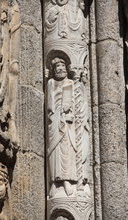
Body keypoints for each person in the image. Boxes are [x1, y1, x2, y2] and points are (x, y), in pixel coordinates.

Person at [47, 57, 77, 197]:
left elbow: (75, 102)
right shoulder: (51, 83)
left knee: (67, 149)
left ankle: (66, 181)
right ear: (53, 70)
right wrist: (56, 115)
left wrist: (69, 111)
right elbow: (49, 105)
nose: (59, 68)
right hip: (55, 121)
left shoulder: (70, 82)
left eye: (62, 65)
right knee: (54, 151)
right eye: (56, 66)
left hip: (67, 122)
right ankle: (54, 182)